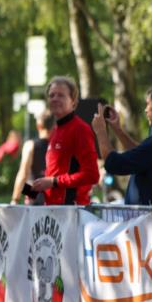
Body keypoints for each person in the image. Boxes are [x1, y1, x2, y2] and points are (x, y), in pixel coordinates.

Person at [30, 76, 99, 205]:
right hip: (52, 212)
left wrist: (53, 182)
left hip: (72, 211)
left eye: (61, 95)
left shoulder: (80, 129)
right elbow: (53, 175)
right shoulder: (56, 130)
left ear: (73, 101)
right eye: (52, 95)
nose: (55, 99)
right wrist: (32, 192)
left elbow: (92, 175)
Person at [11, 110, 54, 204]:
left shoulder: (30, 145)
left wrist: (15, 200)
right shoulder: (58, 146)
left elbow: (23, 173)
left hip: (34, 196)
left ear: (38, 125)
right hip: (53, 196)